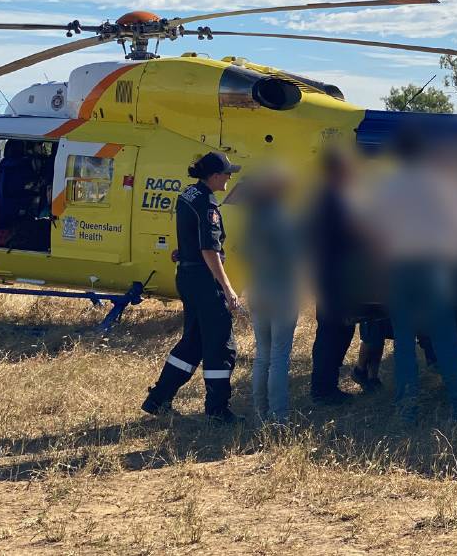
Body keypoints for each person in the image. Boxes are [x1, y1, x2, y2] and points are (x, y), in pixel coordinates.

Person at [362, 130, 457, 423]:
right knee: (445, 341)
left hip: (400, 269)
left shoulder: (387, 188)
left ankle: (407, 410)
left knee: (403, 343)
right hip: (433, 268)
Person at [142, 151, 242, 424]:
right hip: (203, 280)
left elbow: (189, 234)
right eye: (227, 173)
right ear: (214, 176)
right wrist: (228, 287)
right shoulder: (207, 205)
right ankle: (217, 409)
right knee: (222, 344)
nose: (230, 177)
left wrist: (183, 251)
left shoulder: (188, 195)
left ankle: (158, 399)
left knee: (194, 341)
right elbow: (209, 249)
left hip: (187, 275)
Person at [242, 167, 300, 424]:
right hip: (281, 291)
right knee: (279, 356)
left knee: (262, 354)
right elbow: (292, 256)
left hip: (258, 289)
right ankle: (279, 416)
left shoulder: (253, 219)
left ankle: (259, 412)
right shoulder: (282, 218)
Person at [307, 148, 359, 405]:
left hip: (327, 272)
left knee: (336, 329)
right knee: (334, 331)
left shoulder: (320, 197)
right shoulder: (334, 199)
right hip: (336, 275)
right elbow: (352, 233)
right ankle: (323, 389)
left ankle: (325, 385)